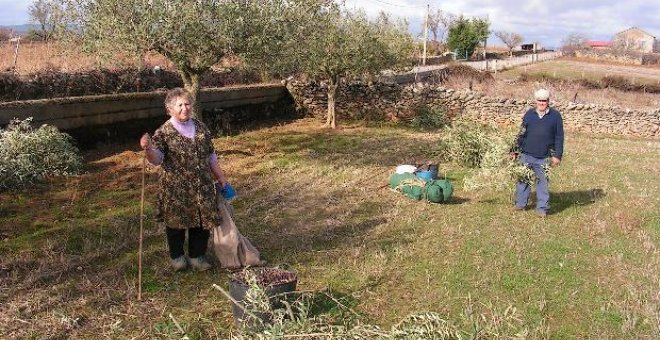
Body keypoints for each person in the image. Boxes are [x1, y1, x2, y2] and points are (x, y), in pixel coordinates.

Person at [139, 88, 228, 271]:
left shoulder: (201, 128)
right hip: (176, 189)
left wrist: (220, 177)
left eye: (187, 104)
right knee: (176, 225)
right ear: (170, 109)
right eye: (179, 105)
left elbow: (211, 155)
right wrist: (148, 149)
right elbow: (157, 159)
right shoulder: (163, 132)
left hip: (201, 186)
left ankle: (197, 257)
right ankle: (177, 257)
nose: (184, 108)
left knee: (202, 223)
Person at [510, 88, 564, 217]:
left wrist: (557, 155)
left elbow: (559, 137)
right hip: (526, 154)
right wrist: (514, 150)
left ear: (548, 101)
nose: (541, 103)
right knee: (523, 180)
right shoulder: (529, 115)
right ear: (535, 101)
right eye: (539, 100)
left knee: (542, 183)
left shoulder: (555, 116)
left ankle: (542, 208)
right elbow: (521, 134)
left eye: (544, 101)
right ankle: (521, 204)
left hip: (544, 156)